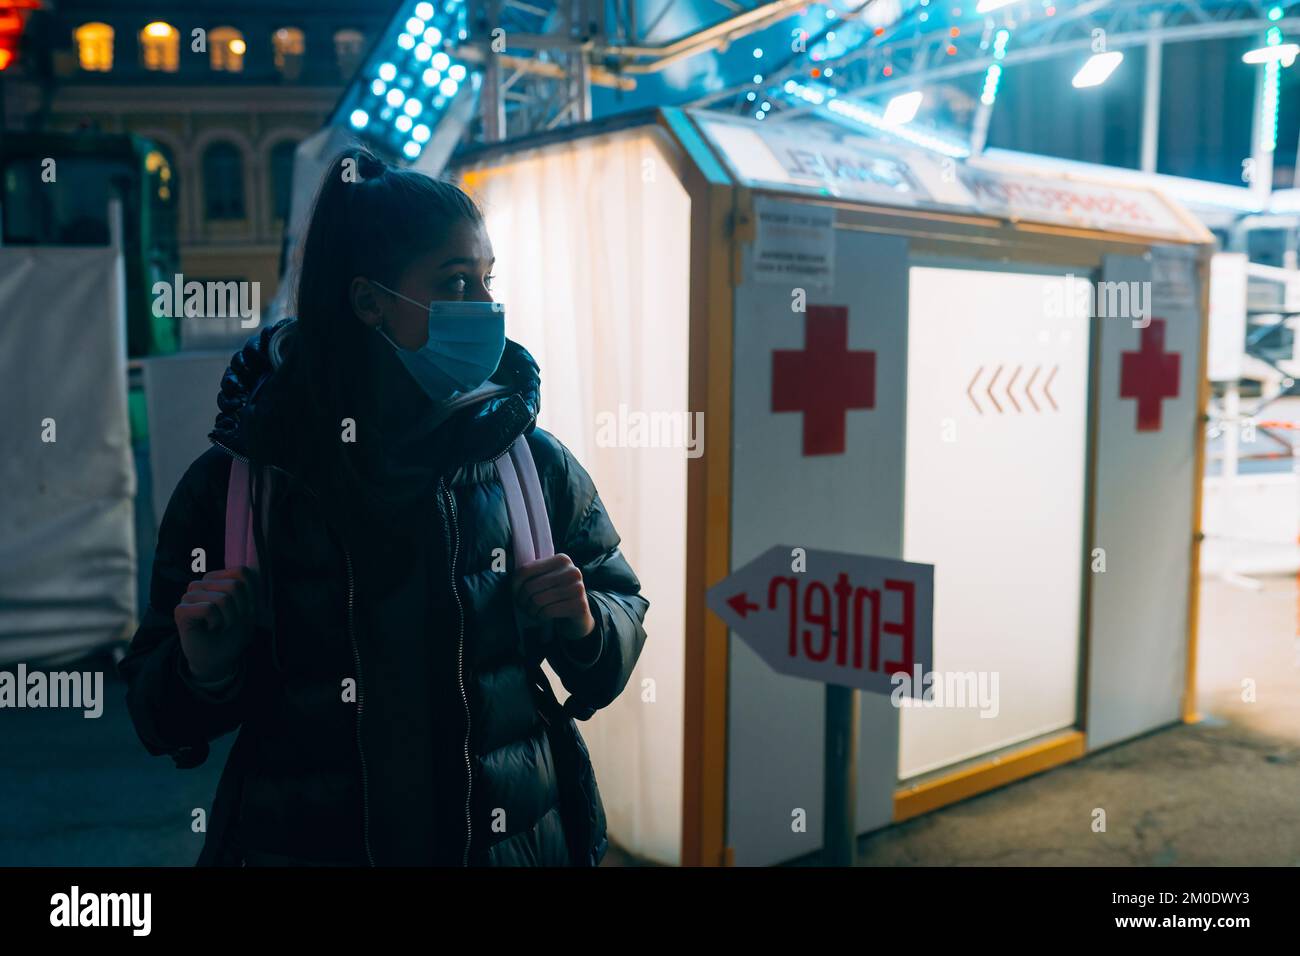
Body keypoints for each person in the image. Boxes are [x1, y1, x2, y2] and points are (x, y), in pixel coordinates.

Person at [118, 147, 649, 867]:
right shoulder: (243, 481)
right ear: (369, 301)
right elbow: (155, 714)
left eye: (488, 281)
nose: (484, 308)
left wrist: (587, 625)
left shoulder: (528, 460)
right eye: (456, 282)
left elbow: (617, 630)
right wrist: (201, 667)